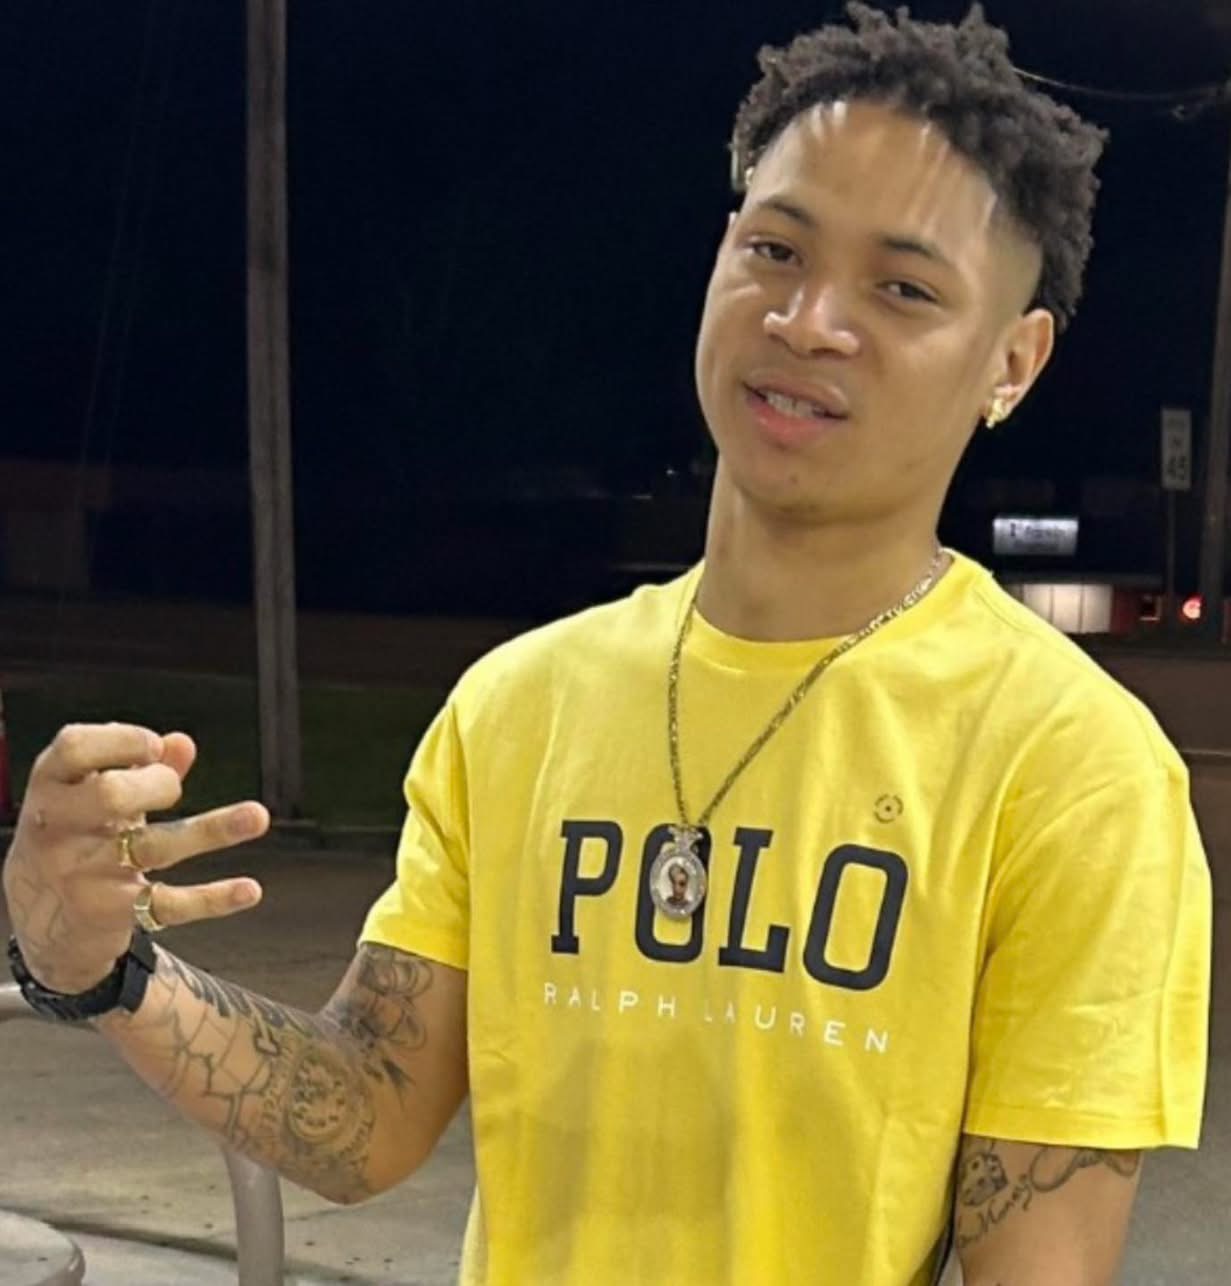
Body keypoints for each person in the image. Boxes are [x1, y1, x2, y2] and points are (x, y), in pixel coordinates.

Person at [2, 4, 1212, 1284]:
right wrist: (102, 969)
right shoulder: (519, 704)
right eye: (775, 248)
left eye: (902, 288)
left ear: (1011, 361)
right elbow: (365, 1106)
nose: (809, 320)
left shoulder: (1072, 770)